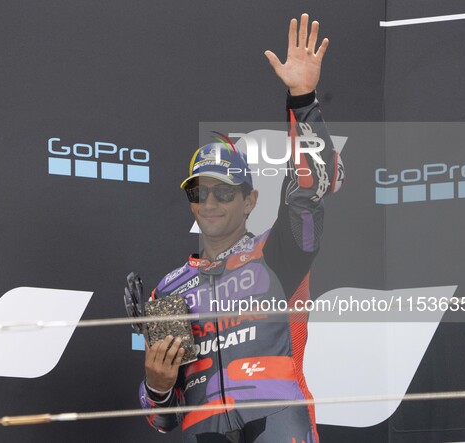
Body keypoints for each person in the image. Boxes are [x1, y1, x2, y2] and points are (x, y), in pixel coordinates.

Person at [138, 14, 344, 443]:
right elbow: (162, 418)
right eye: (199, 192)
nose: (210, 202)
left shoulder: (281, 253)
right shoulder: (169, 292)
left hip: (279, 426)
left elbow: (312, 187)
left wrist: (302, 98)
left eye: (224, 192)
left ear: (250, 200)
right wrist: (156, 387)